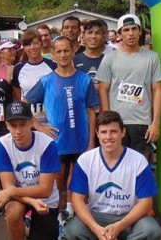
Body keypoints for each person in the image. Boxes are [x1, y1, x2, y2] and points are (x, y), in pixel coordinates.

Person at [26, 35, 99, 220]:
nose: (63, 54)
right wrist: (39, 127)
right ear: (53, 55)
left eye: (66, 50)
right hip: (57, 141)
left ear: (73, 51)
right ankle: (57, 217)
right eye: (59, 51)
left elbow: (92, 111)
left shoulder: (84, 80)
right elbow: (25, 103)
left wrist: (91, 141)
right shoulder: (47, 80)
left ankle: (74, 214)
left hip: (81, 140)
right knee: (57, 182)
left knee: (79, 182)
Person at [64, 111, 161, 240]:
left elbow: (146, 203)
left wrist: (119, 226)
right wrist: (96, 229)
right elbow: (77, 199)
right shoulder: (86, 160)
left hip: (128, 217)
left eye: (113, 131)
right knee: (72, 231)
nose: (108, 137)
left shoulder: (138, 160)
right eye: (104, 132)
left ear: (123, 132)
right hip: (97, 216)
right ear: (97, 134)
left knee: (151, 230)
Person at [96, 14, 161, 161]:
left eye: (134, 29)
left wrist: (155, 123)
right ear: (119, 34)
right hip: (117, 123)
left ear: (140, 32)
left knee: (142, 168)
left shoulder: (152, 57)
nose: (131, 33)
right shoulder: (110, 58)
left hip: (142, 123)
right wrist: (107, 121)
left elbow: (157, 90)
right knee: (116, 166)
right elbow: (103, 90)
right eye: (126, 30)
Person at [0, 101, 61, 240]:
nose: (18, 131)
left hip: (46, 200)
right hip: (20, 198)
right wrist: (31, 201)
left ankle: (29, 228)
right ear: (7, 126)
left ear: (31, 123)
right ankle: (23, 228)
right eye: (13, 125)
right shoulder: (2, 144)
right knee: (12, 210)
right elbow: (8, 185)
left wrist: (10, 191)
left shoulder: (47, 144)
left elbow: (45, 190)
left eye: (22, 124)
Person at [12, 29, 57, 134]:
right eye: (28, 44)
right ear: (24, 47)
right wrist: (37, 125)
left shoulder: (53, 66)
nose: (32, 47)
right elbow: (18, 96)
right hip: (27, 121)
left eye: (35, 43)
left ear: (41, 44)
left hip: (51, 121)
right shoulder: (18, 68)